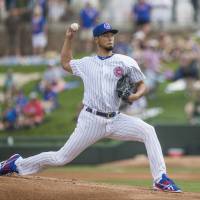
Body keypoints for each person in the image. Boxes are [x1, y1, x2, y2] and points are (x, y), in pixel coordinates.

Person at [0, 22, 181, 193]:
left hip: (116, 119)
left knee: (148, 130)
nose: (110, 38)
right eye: (105, 35)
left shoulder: (125, 61)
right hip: (91, 120)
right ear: (96, 39)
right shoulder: (86, 63)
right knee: (60, 158)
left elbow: (142, 84)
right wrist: (69, 38)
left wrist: (136, 95)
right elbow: (65, 63)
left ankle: (160, 178)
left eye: (112, 35)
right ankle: (17, 164)